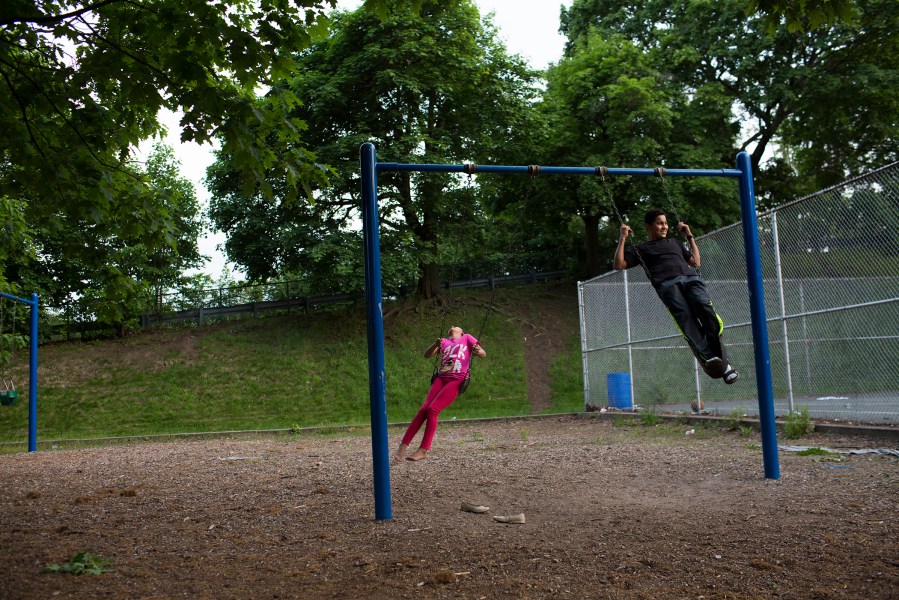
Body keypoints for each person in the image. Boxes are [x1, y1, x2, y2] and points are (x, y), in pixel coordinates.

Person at [613, 207, 738, 384]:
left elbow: (695, 262)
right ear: (648, 226)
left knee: (704, 307)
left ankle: (722, 361)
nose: (664, 227)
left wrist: (689, 236)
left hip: (691, 279)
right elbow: (619, 265)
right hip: (668, 285)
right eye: (659, 223)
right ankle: (715, 360)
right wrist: (623, 238)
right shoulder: (641, 248)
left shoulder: (675, 243)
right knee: (686, 320)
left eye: (665, 223)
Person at [394, 326, 486, 462]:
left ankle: (423, 449)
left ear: (461, 332)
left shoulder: (466, 338)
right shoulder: (443, 341)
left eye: (455, 326)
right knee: (423, 409)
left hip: (457, 379)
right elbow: (427, 355)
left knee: (433, 409)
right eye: (451, 326)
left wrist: (478, 350)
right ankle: (403, 446)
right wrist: (435, 344)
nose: (452, 326)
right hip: (441, 378)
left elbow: (483, 353)